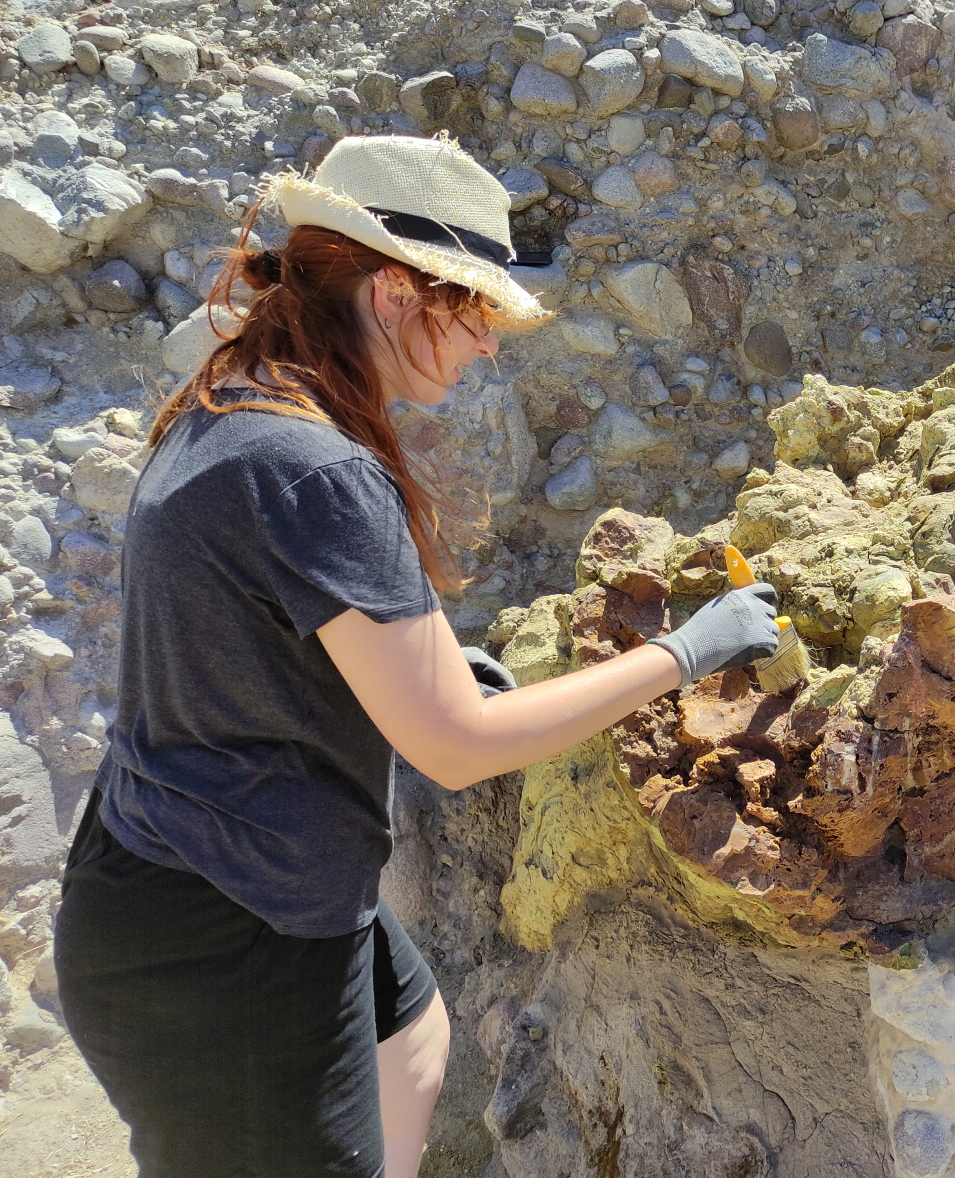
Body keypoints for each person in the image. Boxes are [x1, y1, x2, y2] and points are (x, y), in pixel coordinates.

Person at [51, 134, 782, 1178]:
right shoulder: (316, 469)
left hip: (171, 874)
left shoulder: (238, 397)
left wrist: (433, 663)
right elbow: (454, 746)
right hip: (225, 946)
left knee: (415, 1039)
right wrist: (686, 650)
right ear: (395, 293)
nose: (490, 343)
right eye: (475, 309)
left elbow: (267, 626)